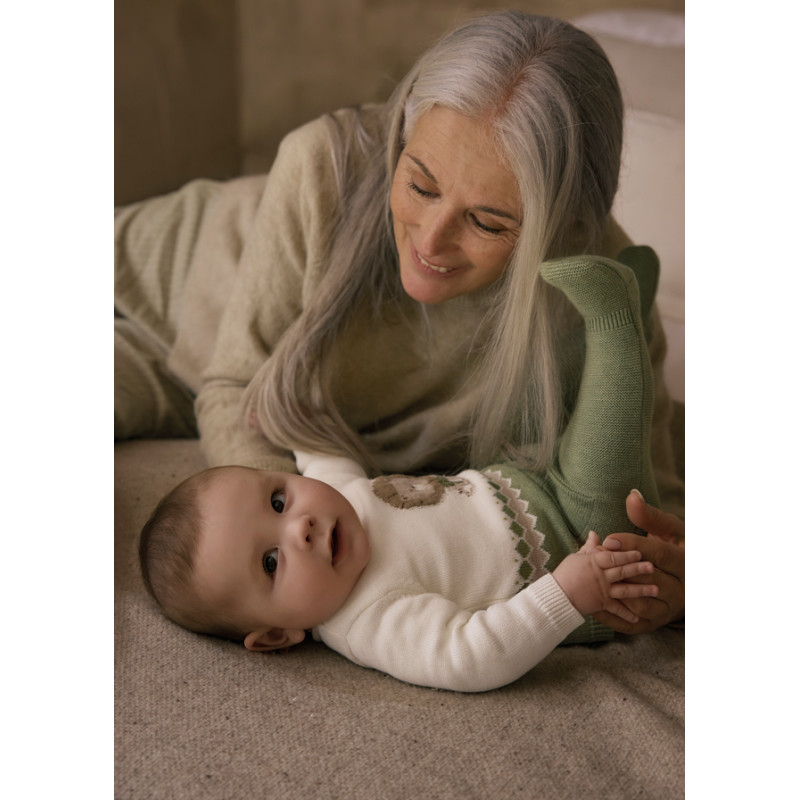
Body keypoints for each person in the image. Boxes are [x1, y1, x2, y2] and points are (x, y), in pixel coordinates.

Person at [116, 11, 684, 630]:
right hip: (150, 291)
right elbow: (232, 387)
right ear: (404, 127)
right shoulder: (319, 167)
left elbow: (655, 506)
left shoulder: (601, 293)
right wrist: (295, 572)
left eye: (488, 222)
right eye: (420, 183)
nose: (431, 242)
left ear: (566, 225)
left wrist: (675, 579)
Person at [140, 251, 666, 692]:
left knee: (543, 389)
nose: (298, 527)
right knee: (607, 427)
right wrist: (570, 592)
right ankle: (616, 318)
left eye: (278, 501)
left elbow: (323, 456)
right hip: (585, 541)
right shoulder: (370, 620)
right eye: (272, 562)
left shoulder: (335, 498)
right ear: (278, 634)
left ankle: (627, 322)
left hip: (528, 477)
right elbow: (469, 657)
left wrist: (288, 424)